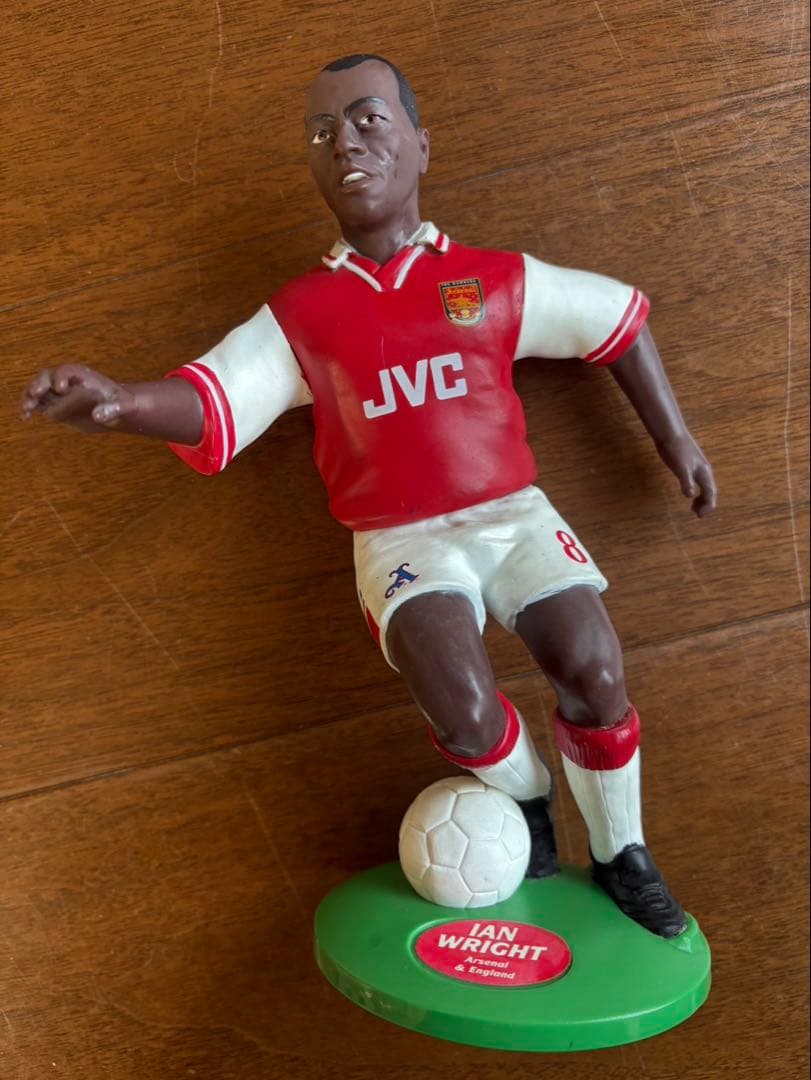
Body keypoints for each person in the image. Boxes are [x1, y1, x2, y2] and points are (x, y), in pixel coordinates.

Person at [20, 54, 716, 938]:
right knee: (463, 711)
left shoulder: (490, 279)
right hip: (400, 539)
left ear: (420, 146)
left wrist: (672, 438)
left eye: (367, 119)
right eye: (322, 133)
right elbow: (216, 396)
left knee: (594, 665)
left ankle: (624, 853)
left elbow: (614, 317)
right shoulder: (304, 314)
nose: (344, 142)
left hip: (512, 513)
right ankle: (529, 795)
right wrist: (121, 403)